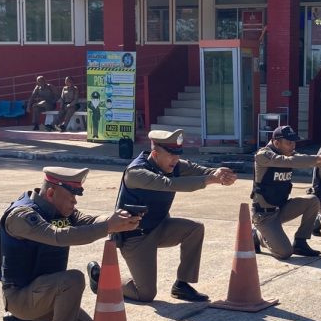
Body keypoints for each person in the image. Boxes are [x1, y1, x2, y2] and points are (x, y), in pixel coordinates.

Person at [0, 166, 141, 321]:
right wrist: (109, 226)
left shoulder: (61, 211)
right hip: (21, 297)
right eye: (71, 197)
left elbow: (89, 222)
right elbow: (59, 236)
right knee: (72, 279)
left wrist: (120, 220)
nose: (75, 202)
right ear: (51, 193)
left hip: (46, 296)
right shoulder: (21, 216)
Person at [88, 129, 237, 303]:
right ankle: (102, 278)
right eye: (171, 155)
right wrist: (209, 180)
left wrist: (219, 174)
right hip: (135, 237)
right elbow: (168, 184)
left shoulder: (174, 165)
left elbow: (199, 170)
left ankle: (182, 285)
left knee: (195, 229)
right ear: (155, 154)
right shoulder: (136, 172)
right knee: (145, 294)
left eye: (177, 155)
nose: (175, 159)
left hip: (159, 227)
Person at [250, 125, 321, 259]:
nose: (293, 146)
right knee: (284, 253)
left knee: (312, 200)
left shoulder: (289, 153)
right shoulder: (263, 155)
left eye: (294, 142)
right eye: (289, 143)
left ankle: (300, 242)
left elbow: (302, 159)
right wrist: (320, 158)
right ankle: (257, 235)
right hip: (264, 215)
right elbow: (288, 161)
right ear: (276, 143)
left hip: (281, 209)